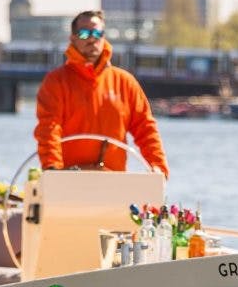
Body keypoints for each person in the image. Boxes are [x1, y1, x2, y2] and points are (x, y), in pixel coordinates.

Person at [34, 10, 169, 178]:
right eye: (84, 33)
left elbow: (146, 129)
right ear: (73, 38)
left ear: (104, 36)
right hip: (69, 180)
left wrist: (158, 167)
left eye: (97, 33)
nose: (92, 38)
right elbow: (48, 130)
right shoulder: (55, 82)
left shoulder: (125, 82)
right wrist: (52, 169)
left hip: (114, 182)